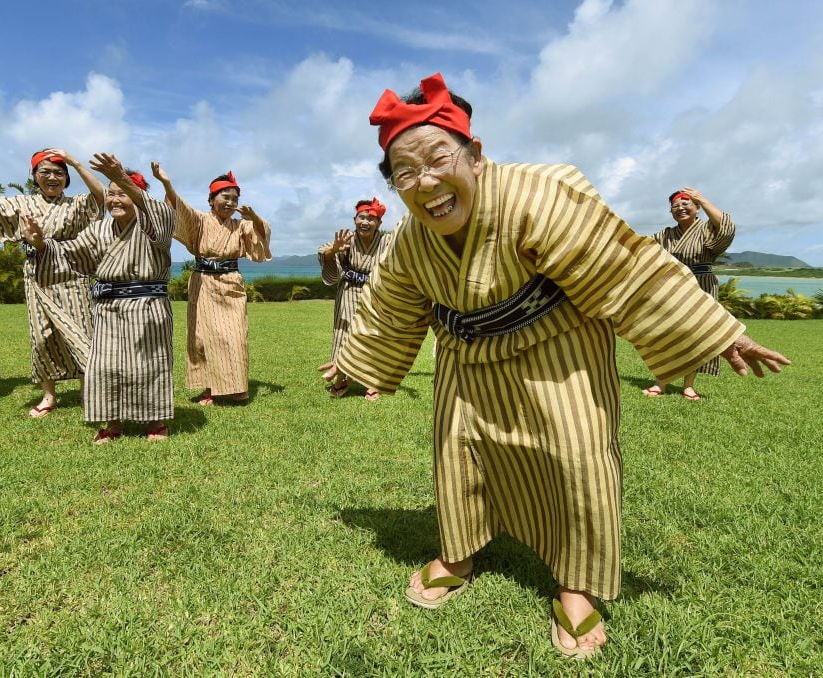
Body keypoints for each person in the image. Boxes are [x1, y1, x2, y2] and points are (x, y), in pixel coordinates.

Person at [321, 73, 789, 658]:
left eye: (439, 158)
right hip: (466, 357)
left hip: (557, 341)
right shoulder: (412, 241)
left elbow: (622, 266)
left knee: (576, 455)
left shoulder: (538, 196)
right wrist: (357, 363)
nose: (426, 182)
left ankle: (577, 584)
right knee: (458, 453)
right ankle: (459, 551)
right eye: (405, 172)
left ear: (475, 154)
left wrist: (712, 331)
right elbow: (391, 307)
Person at [0, 149, 106, 417]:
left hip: (73, 273)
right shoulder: (20, 205)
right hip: (37, 274)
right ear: (35, 176)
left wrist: (75, 162)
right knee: (42, 336)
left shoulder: (76, 204)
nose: (52, 177)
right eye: (45, 172)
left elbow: (101, 197)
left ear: (67, 178)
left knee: (84, 334)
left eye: (59, 173)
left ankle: (88, 390)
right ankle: (49, 395)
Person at [22, 152, 175, 443]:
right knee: (105, 365)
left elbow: (158, 210)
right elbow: (71, 253)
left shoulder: (155, 221)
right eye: (111, 194)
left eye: (123, 193)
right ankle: (112, 422)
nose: (114, 199)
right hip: (106, 308)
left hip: (147, 306)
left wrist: (119, 175)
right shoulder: (99, 228)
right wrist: (40, 242)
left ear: (138, 195)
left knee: (150, 363)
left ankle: (155, 420)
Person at [152, 165, 271, 405]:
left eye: (234, 199)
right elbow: (179, 210)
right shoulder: (200, 220)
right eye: (225, 197)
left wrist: (254, 217)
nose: (230, 202)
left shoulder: (241, 225)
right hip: (202, 282)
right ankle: (209, 389)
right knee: (201, 337)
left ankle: (236, 388)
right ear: (212, 198)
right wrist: (166, 183)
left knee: (234, 336)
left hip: (230, 284)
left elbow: (262, 236)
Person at [642, 188, 735, 400]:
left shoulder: (706, 230)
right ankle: (661, 382)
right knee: (666, 333)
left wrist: (701, 197)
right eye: (675, 206)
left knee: (696, 335)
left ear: (697, 208)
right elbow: (641, 246)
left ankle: (689, 386)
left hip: (702, 286)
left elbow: (726, 230)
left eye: (686, 204)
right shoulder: (665, 235)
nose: (680, 209)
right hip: (673, 287)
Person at [317, 198, 393, 401]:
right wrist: (334, 250)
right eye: (362, 217)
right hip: (349, 291)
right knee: (345, 333)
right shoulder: (347, 240)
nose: (365, 222)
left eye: (371, 218)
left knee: (373, 334)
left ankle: (372, 381)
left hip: (376, 294)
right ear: (355, 219)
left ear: (379, 223)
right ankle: (342, 379)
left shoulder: (387, 241)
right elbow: (324, 250)